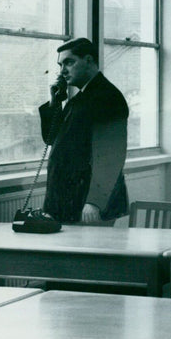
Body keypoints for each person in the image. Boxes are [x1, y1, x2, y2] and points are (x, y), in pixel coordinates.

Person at [39, 37, 129, 225]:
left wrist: (94, 202)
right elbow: (50, 138)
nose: (62, 71)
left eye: (69, 62)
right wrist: (56, 102)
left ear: (88, 60)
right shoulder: (79, 99)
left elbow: (110, 156)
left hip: (87, 205)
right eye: (60, 65)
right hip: (68, 201)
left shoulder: (107, 97)